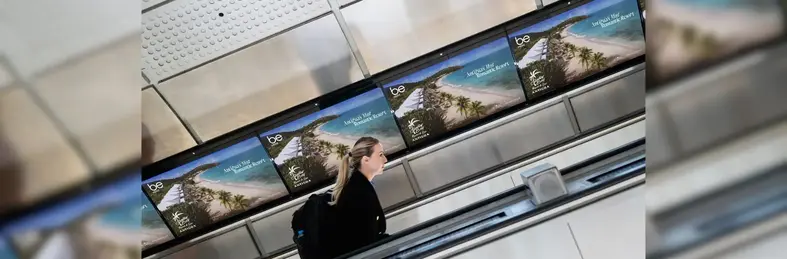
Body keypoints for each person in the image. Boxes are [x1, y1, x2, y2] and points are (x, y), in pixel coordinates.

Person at [326, 137, 389, 258]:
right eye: (380, 155)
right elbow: (367, 240)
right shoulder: (360, 192)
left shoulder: (357, 186)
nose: (385, 159)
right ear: (366, 160)